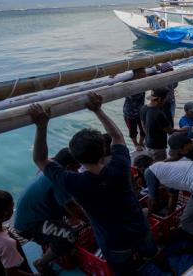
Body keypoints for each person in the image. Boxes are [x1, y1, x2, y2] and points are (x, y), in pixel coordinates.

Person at [29, 93, 173, 275]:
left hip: (112, 240)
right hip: (138, 228)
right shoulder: (120, 166)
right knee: (153, 252)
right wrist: (98, 110)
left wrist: (41, 126)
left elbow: (40, 159)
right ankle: (173, 273)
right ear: (104, 150)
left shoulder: (73, 182)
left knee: (125, 271)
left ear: (76, 158)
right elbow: (118, 136)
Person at [14, 148, 88, 274]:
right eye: (76, 168)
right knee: (69, 236)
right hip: (30, 226)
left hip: (41, 214)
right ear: (68, 166)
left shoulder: (50, 168)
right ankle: (40, 263)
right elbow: (71, 206)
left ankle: (57, 247)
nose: (77, 171)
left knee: (74, 218)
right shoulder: (58, 179)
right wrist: (91, 220)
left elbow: (69, 202)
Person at [141, 88, 182, 161]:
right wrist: (183, 129)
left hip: (148, 143)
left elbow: (143, 126)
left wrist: (149, 136)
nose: (165, 101)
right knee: (160, 166)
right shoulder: (159, 114)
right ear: (160, 99)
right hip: (158, 147)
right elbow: (170, 131)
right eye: (165, 99)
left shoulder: (143, 108)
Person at [123, 68, 147, 151]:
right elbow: (114, 83)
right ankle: (136, 144)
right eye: (143, 72)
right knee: (132, 131)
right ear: (137, 73)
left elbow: (155, 74)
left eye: (145, 72)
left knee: (144, 129)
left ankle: (140, 142)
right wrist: (114, 75)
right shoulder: (128, 82)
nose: (145, 74)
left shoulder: (144, 80)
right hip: (129, 112)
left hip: (141, 111)